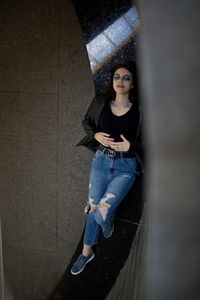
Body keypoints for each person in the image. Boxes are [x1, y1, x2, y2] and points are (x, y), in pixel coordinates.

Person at [71, 61, 143, 275]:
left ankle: (107, 217)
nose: (120, 81)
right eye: (117, 77)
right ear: (112, 81)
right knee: (92, 207)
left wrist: (132, 145)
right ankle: (86, 253)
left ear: (132, 84)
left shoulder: (140, 110)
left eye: (126, 78)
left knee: (101, 213)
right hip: (101, 161)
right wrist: (95, 135)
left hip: (126, 166)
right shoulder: (101, 101)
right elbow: (86, 122)